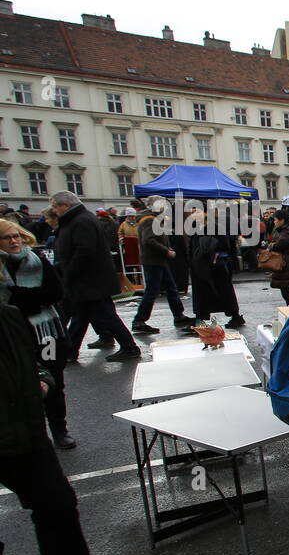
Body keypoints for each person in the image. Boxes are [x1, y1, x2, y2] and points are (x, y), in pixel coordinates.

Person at [2, 302, 131, 555]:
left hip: (25, 433)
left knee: (56, 503)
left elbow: (35, 361)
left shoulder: (10, 314)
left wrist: (42, 380)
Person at [1, 221, 76, 449]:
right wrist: (32, 299)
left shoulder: (37, 260)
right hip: (12, 340)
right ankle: (34, 433)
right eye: (7, 238)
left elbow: (55, 292)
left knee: (53, 380)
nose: (14, 241)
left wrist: (20, 297)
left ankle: (59, 429)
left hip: (47, 335)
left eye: (17, 236)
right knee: (21, 386)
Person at [49, 191, 140, 361]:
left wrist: (69, 271)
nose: (54, 211)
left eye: (55, 206)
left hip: (90, 280)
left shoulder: (81, 221)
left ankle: (129, 346)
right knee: (81, 316)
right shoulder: (81, 219)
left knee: (103, 315)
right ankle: (71, 350)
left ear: (65, 205)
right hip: (89, 279)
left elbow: (85, 251)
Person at [131, 198, 195, 335]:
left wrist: (167, 248)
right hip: (154, 261)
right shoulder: (150, 220)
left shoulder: (152, 219)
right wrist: (166, 251)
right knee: (152, 291)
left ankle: (179, 315)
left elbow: (154, 239)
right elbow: (149, 240)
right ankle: (139, 320)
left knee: (171, 289)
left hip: (158, 260)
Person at [189, 210, 245, 329]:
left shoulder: (215, 227)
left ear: (204, 213)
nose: (193, 214)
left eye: (196, 211)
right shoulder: (195, 228)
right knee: (201, 293)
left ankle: (235, 316)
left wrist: (215, 256)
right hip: (200, 265)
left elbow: (225, 245)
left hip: (216, 266)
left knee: (224, 291)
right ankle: (200, 318)